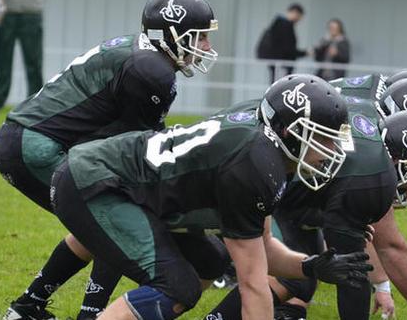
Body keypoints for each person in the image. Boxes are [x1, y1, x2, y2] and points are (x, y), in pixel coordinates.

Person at [51, 74, 369, 319]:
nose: (332, 152)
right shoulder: (256, 166)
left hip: (121, 185)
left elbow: (264, 246)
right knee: (177, 286)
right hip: (95, 181)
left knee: (210, 260)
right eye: (323, 139)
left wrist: (311, 266)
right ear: (290, 132)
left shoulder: (266, 157)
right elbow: (254, 285)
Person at [0, 0, 218, 320]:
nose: (206, 47)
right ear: (172, 33)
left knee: (103, 217)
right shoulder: (151, 71)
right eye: (199, 36)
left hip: (27, 140)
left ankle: (28, 306)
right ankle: (88, 313)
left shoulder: (142, 53)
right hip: (36, 147)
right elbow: (141, 155)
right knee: (115, 217)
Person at [204, 84, 407, 319]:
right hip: (257, 179)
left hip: (286, 189)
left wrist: (383, 286)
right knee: (228, 272)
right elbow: (375, 252)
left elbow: (357, 213)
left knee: (303, 277)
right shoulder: (372, 170)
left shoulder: (367, 112)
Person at [257, 3, 308, 83]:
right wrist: (304, 53)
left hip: (279, 62)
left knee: (279, 84)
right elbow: (288, 48)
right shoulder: (285, 26)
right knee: (281, 85)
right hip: (281, 63)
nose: (300, 19)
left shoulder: (279, 24)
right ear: (295, 13)